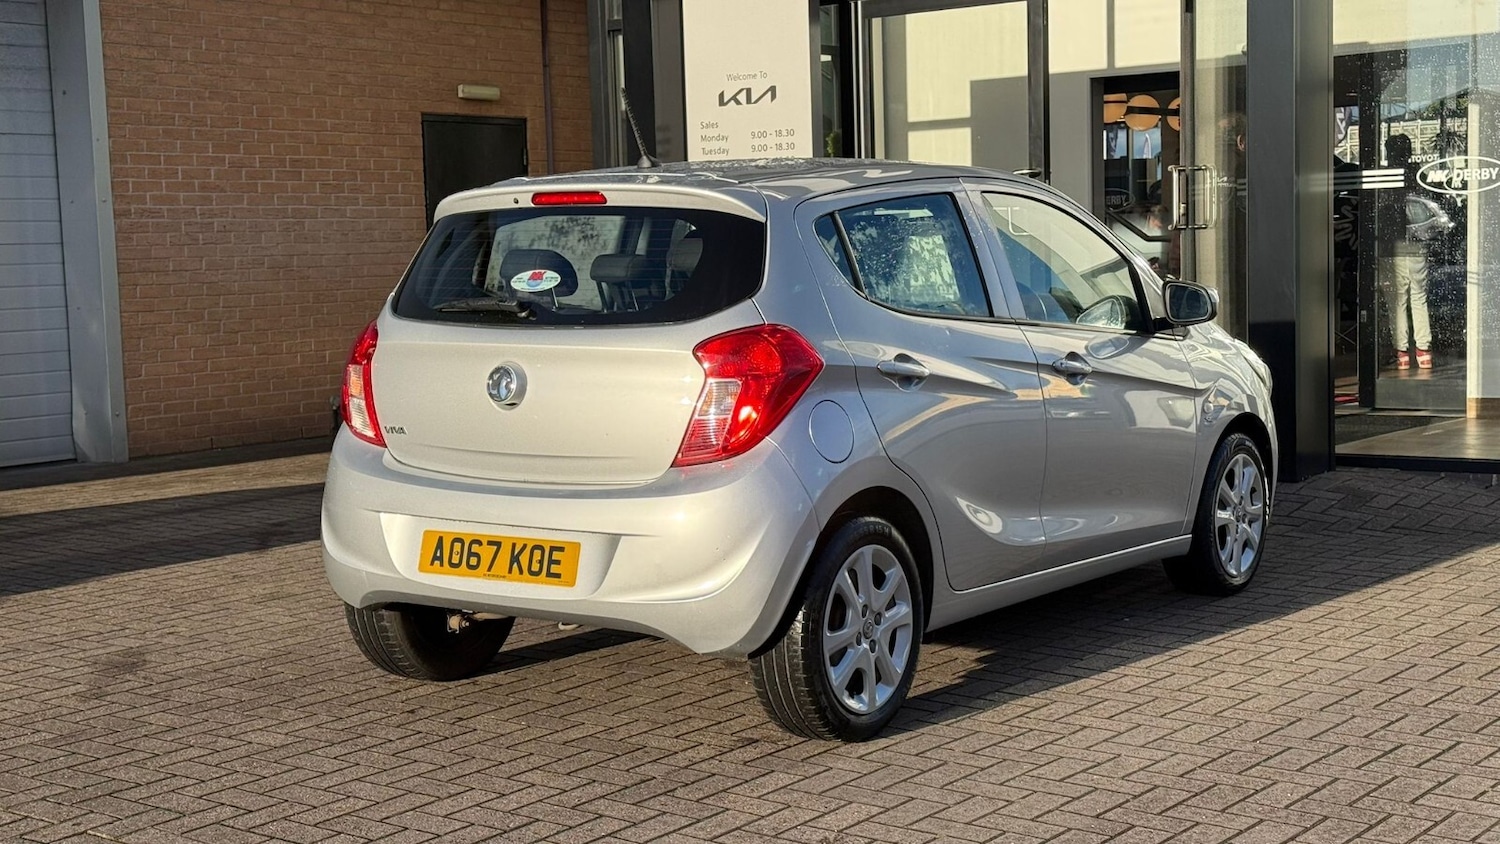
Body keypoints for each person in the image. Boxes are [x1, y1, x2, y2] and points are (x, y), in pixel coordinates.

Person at [1377, 133, 1432, 370]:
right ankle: (1424, 351)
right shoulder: (1419, 175)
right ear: (1408, 152)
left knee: (1396, 300)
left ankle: (1401, 352)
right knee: (1419, 296)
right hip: (1416, 242)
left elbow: (1378, 211)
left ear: (1389, 152)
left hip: (1390, 245)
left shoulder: (1383, 177)